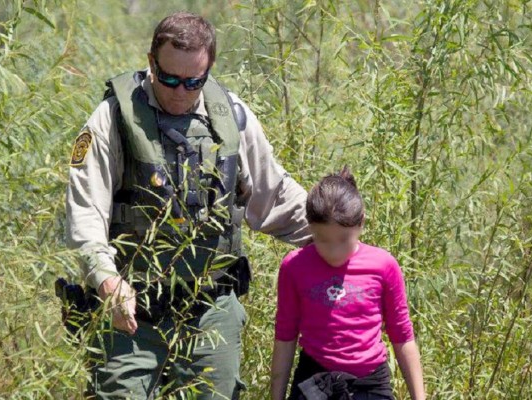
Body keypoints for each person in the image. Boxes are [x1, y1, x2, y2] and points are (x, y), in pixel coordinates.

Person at [65, 11, 311, 400]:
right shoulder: (112, 119)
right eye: (170, 79)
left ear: (209, 70)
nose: (181, 92)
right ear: (151, 62)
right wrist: (107, 281)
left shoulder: (230, 116)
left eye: (194, 82)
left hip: (210, 312)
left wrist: (339, 236)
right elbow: (85, 214)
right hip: (132, 317)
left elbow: (275, 197)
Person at [270, 167, 425, 400]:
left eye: (343, 239)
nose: (334, 251)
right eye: (323, 240)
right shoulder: (294, 266)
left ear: (361, 222)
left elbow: (402, 335)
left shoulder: (383, 265)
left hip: (370, 385)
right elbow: (285, 336)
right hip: (314, 384)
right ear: (309, 226)